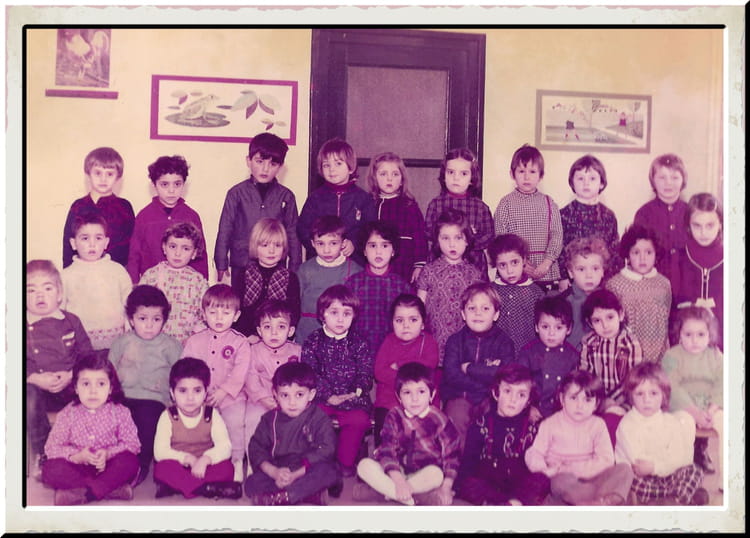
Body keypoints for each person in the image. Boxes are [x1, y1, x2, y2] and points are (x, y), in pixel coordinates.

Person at [41, 351, 140, 505]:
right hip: (77, 468)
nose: (93, 391)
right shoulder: (68, 413)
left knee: (130, 462)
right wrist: (76, 456)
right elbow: (52, 447)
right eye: (86, 384)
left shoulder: (120, 412)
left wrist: (108, 454)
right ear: (76, 388)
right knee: (50, 469)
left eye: (101, 384)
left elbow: (133, 444)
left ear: (110, 388)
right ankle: (110, 489)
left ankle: (83, 493)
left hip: (109, 466)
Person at [355, 362, 460, 506]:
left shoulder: (440, 420)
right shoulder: (394, 415)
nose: (414, 398)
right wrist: (399, 481)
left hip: (423, 475)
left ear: (432, 394)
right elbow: (387, 451)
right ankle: (409, 499)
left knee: (436, 474)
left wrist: (446, 487)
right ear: (398, 397)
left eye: (421, 392)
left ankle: (389, 493)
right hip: (396, 473)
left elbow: (452, 457)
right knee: (364, 465)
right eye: (407, 392)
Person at [108, 285, 182, 484]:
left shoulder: (171, 346)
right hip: (122, 397)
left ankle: (140, 464)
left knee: (146, 424)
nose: (149, 325)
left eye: (156, 319)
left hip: (154, 400)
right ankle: (113, 463)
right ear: (131, 319)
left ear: (164, 320)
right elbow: (108, 373)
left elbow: (181, 377)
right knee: (112, 421)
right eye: (142, 319)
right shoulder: (121, 343)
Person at [525, 370, 634, 505]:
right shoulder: (550, 424)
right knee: (560, 482)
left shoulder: (598, 425)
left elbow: (606, 460)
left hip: (593, 478)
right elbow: (534, 452)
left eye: (587, 400)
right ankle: (595, 502)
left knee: (624, 469)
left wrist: (574, 468)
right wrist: (544, 471)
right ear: (562, 399)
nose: (580, 406)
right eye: (573, 398)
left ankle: (598, 502)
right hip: (563, 479)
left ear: (596, 404)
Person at [214, 132, 301, 302]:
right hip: (242, 262)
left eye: (272, 164)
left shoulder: (286, 196)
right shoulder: (236, 193)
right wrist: (221, 262)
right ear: (248, 161)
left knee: (274, 306)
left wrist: (294, 266)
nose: (265, 169)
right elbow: (225, 228)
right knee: (241, 305)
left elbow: (292, 233)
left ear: (280, 166)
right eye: (260, 161)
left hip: (275, 264)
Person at [180, 284, 251, 482]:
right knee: (195, 426)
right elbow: (186, 369)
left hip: (231, 398)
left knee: (235, 423)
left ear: (236, 316)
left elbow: (240, 373)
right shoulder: (194, 341)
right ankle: (202, 460)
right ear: (204, 314)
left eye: (226, 313)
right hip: (200, 398)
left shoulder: (240, 342)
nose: (219, 318)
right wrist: (198, 394)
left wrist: (223, 392)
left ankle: (237, 460)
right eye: (213, 312)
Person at [301, 284, 373, 476]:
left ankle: (344, 461)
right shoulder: (313, 341)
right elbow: (310, 372)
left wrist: (355, 392)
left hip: (352, 400)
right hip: (322, 399)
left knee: (359, 420)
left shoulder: (359, 342)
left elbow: (365, 372)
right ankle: (318, 459)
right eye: (334, 312)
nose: (340, 319)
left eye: (346, 313)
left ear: (354, 316)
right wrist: (328, 396)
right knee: (313, 418)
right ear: (322, 314)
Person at [26, 260, 93, 468]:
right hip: (37, 389)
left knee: (94, 386)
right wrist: (32, 377)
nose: (40, 295)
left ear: (59, 293)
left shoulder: (71, 321)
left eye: (47, 288)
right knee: (27, 396)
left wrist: (72, 375)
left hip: (70, 385)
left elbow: (87, 355)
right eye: (31, 290)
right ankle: (44, 451)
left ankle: (85, 451)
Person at [244, 361, 340, 506]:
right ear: (275, 394)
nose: (292, 402)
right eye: (285, 395)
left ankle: (286, 496)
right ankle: (308, 496)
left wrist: (295, 474)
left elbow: (327, 449)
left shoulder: (319, 418)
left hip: (306, 468)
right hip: (280, 469)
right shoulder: (269, 419)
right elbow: (256, 448)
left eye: (299, 395)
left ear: (311, 394)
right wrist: (274, 472)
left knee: (329, 471)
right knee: (251, 483)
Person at [455, 363, 550, 506]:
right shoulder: (480, 426)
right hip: (489, 482)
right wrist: (459, 486)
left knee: (540, 480)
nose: (513, 400)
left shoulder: (532, 429)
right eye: (507, 391)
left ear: (528, 401)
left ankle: (511, 503)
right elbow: (468, 465)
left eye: (521, 395)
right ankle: (504, 504)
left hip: (518, 484)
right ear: (496, 393)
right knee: (471, 485)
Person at [614, 363, 709, 505]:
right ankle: (683, 498)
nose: (647, 400)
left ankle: (672, 500)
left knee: (695, 470)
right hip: (642, 481)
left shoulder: (670, 422)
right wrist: (665, 461)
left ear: (663, 396)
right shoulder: (627, 424)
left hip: (665, 474)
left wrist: (656, 467)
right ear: (631, 396)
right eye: (640, 394)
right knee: (629, 480)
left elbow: (680, 459)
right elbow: (639, 465)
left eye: (653, 393)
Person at [153, 358, 240, 500]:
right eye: (183, 391)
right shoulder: (167, 416)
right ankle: (207, 489)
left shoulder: (211, 414)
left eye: (197, 390)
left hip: (205, 467)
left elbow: (225, 446)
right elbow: (160, 451)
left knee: (227, 468)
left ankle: (181, 487)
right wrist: (186, 458)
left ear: (205, 393)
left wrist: (206, 459)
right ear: (172, 393)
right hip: (179, 465)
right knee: (162, 469)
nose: (190, 397)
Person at [441, 282, 515, 447]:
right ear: (463, 313)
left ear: (496, 314)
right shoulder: (455, 341)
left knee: (496, 417)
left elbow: (505, 373)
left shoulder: (504, 342)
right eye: (472, 308)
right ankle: (458, 460)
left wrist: (469, 368)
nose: (478, 313)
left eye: (485, 308)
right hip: (460, 396)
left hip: (491, 399)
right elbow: (452, 375)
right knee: (456, 416)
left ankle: (488, 459)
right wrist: (485, 380)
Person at [416, 208, 484, 365]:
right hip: (433, 341)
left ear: (467, 240)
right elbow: (419, 307)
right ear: (437, 240)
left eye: (458, 238)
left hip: (464, 344)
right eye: (445, 238)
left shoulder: (474, 274)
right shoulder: (429, 271)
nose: (452, 244)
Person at [662, 306, 723, 476]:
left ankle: (727, 481)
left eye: (701, 334)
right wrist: (695, 413)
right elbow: (672, 386)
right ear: (679, 334)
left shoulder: (716, 355)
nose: (694, 340)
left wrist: (711, 411)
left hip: (710, 408)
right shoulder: (672, 356)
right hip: (683, 408)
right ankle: (685, 472)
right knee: (685, 422)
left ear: (710, 335)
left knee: (726, 423)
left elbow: (722, 383)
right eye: (688, 334)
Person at [127, 154, 208, 282]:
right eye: (164, 184)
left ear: (183, 184)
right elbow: (134, 256)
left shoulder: (192, 216)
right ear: (154, 185)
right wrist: (133, 285)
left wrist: (202, 284)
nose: (171, 190)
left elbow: (200, 256)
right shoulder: (144, 216)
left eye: (177, 184)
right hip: (152, 284)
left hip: (184, 285)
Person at [494, 144, 563, 292]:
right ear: (512, 174)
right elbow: (501, 238)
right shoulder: (506, 203)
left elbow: (557, 235)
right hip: (514, 271)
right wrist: (521, 264)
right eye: (521, 171)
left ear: (541, 175)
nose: (527, 177)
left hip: (545, 270)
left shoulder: (549, 203)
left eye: (532, 171)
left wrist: (547, 262)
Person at [297, 137, 377, 267]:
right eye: (326, 165)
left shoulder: (363, 198)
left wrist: (355, 244)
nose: (332, 169)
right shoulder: (315, 198)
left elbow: (370, 230)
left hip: (353, 262)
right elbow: (303, 228)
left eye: (338, 164)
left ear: (351, 168)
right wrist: (318, 247)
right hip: (320, 263)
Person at [372, 294, 439, 445]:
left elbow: (426, 370)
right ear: (392, 323)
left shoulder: (429, 343)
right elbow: (379, 372)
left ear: (423, 323)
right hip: (390, 399)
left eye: (413, 320)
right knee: (385, 430)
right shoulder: (388, 341)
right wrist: (410, 372)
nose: (406, 325)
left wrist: (398, 365)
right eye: (399, 320)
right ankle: (383, 455)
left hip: (420, 400)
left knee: (424, 436)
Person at [61, 213, 132, 350]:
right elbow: (60, 311)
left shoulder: (118, 271)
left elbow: (129, 303)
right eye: (85, 238)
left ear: (106, 242)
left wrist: (129, 330)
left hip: (116, 344)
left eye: (98, 238)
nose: (92, 244)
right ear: (73, 243)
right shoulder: (66, 276)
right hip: (81, 347)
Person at [244, 299, 302, 461]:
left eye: (281, 327)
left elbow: (302, 380)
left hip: (289, 400)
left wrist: (287, 400)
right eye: (267, 327)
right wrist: (264, 398)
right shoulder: (253, 351)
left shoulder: (297, 352)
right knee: (253, 419)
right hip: (259, 399)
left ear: (290, 331)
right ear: (259, 331)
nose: (274, 333)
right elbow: (250, 378)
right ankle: (254, 462)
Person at [345, 220, 413, 356]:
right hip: (358, 351)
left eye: (385, 245)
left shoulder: (402, 286)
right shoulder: (353, 283)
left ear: (393, 251)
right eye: (372, 245)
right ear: (364, 250)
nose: (378, 251)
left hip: (393, 352)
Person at [606, 224, 671, 363]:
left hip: (659, 355)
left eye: (648, 252)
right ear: (627, 255)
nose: (642, 258)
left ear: (656, 254)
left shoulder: (664, 284)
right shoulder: (615, 285)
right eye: (636, 253)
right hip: (627, 355)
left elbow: (665, 319)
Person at [424, 147, 494, 275]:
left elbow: (489, 235)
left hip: (473, 263)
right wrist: (445, 235)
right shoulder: (436, 204)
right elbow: (428, 232)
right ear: (444, 176)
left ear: (472, 178)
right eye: (451, 172)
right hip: (441, 264)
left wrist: (468, 239)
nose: (456, 178)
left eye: (463, 174)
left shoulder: (480, 207)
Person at [62, 146, 134, 269]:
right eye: (98, 173)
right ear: (88, 174)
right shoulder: (78, 206)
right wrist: (68, 272)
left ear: (118, 177)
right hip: (82, 271)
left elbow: (131, 247)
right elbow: (68, 245)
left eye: (109, 174)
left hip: (114, 273)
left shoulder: (124, 207)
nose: (103, 179)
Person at [295, 215, 363, 344]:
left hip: (340, 335)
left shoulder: (355, 271)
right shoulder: (305, 270)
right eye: (320, 243)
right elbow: (296, 304)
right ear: (312, 243)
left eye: (333, 243)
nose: (326, 250)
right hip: (307, 332)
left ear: (343, 243)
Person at [139, 221, 209, 344]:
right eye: (172, 246)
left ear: (194, 253)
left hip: (187, 343)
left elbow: (205, 315)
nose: (177, 253)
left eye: (185, 248)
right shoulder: (151, 276)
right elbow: (138, 308)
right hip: (155, 343)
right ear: (164, 247)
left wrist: (193, 338)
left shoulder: (198, 282)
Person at [365, 151, 429, 283]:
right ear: (374, 178)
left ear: (401, 180)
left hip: (404, 263)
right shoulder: (370, 204)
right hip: (377, 263)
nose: (389, 179)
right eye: (383, 174)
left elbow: (420, 237)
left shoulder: (409, 205)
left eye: (395, 174)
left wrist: (419, 265)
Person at [233, 217, 301, 338]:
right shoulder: (244, 274)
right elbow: (236, 309)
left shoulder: (290, 277)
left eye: (277, 245)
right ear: (255, 247)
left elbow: (294, 313)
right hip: (247, 337)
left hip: (278, 338)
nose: (271, 251)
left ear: (284, 248)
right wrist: (248, 335)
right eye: (265, 245)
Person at [673, 192, 724, 350]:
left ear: (720, 224)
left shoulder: (731, 258)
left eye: (710, 225)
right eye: (697, 225)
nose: (703, 232)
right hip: (687, 343)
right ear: (688, 226)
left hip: (722, 343)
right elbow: (673, 306)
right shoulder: (679, 258)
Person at [559, 154, 622, 281]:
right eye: (580, 178)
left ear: (601, 183)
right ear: (572, 182)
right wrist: (563, 277)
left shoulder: (608, 215)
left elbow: (615, 250)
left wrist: (614, 277)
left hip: (602, 278)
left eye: (592, 178)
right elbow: (558, 249)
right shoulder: (563, 214)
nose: (586, 183)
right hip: (573, 279)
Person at [579, 289, 644, 410]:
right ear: (590, 323)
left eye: (610, 317)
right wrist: (597, 400)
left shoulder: (631, 343)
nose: (605, 325)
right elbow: (585, 375)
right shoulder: (589, 343)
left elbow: (632, 379)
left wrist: (612, 401)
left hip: (625, 400)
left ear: (621, 314)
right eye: (597, 320)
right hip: (595, 400)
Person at [633, 153, 690, 287]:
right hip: (654, 282)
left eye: (674, 177)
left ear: (683, 180)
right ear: (653, 180)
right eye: (662, 177)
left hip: (687, 282)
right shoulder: (644, 214)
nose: (668, 183)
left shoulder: (691, 212)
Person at [517, 296, 578, 418]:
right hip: (532, 411)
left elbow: (575, 390)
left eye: (558, 328)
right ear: (536, 327)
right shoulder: (528, 352)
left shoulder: (573, 356)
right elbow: (518, 384)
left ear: (569, 329)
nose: (551, 333)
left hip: (563, 413)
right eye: (545, 327)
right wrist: (527, 408)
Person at [488, 233, 545, 353]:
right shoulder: (490, 291)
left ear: (524, 260)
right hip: (497, 353)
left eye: (514, 262)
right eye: (502, 265)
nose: (510, 271)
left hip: (528, 354)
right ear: (495, 265)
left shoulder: (536, 293)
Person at [556, 236, 610, 350]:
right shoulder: (563, 302)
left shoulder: (609, 300)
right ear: (571, 272)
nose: (589, 275)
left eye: (595, 269)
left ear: (603, 271)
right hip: (572, 357)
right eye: (581, 269)